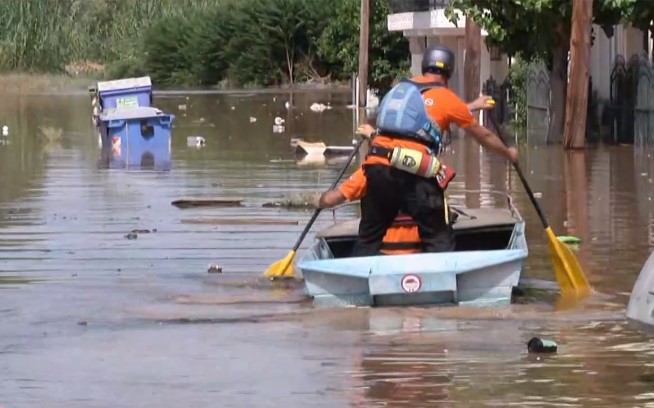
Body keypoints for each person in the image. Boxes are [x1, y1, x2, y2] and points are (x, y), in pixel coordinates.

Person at [349, 43, 518, 257]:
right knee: (437, 236)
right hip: (415, 170)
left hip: (378, 168)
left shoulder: (399, 91)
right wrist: (509, 154)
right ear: (448, 73)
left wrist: (473, 105)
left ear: (424, 67)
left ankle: (357, 274)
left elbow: (429, 112)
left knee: (369, 236)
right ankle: (442, 279)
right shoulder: (446, 97)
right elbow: (482, 135)